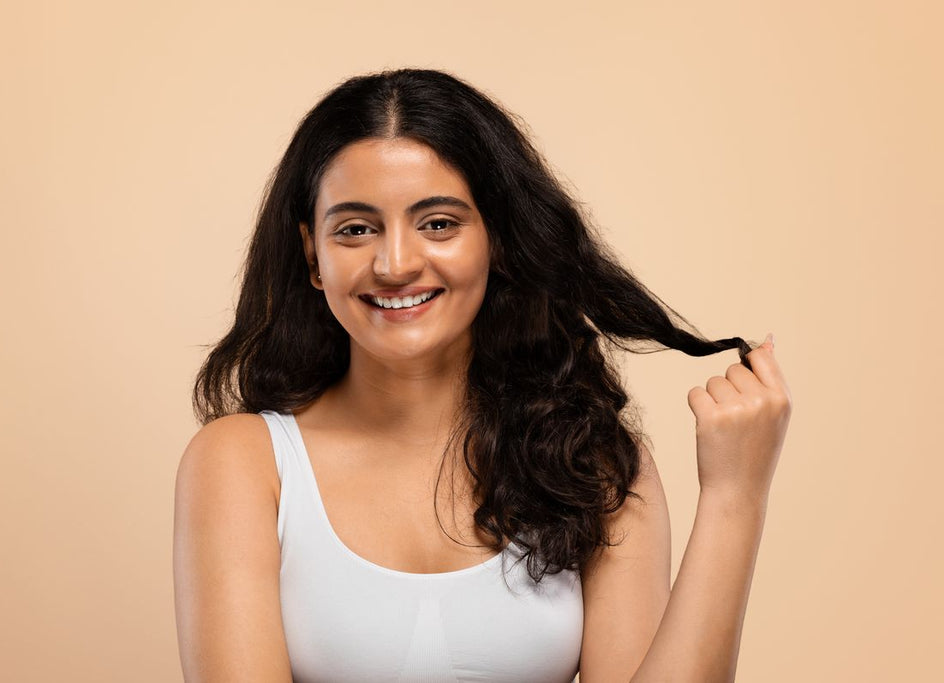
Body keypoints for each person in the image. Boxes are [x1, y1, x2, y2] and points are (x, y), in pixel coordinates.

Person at [173, 68, 793, 683]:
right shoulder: (244, 464)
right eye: (356, 229)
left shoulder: (591, 463)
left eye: (438, 223)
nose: (395, 264)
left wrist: (733, 497)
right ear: (314, 256)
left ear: (497, 239)